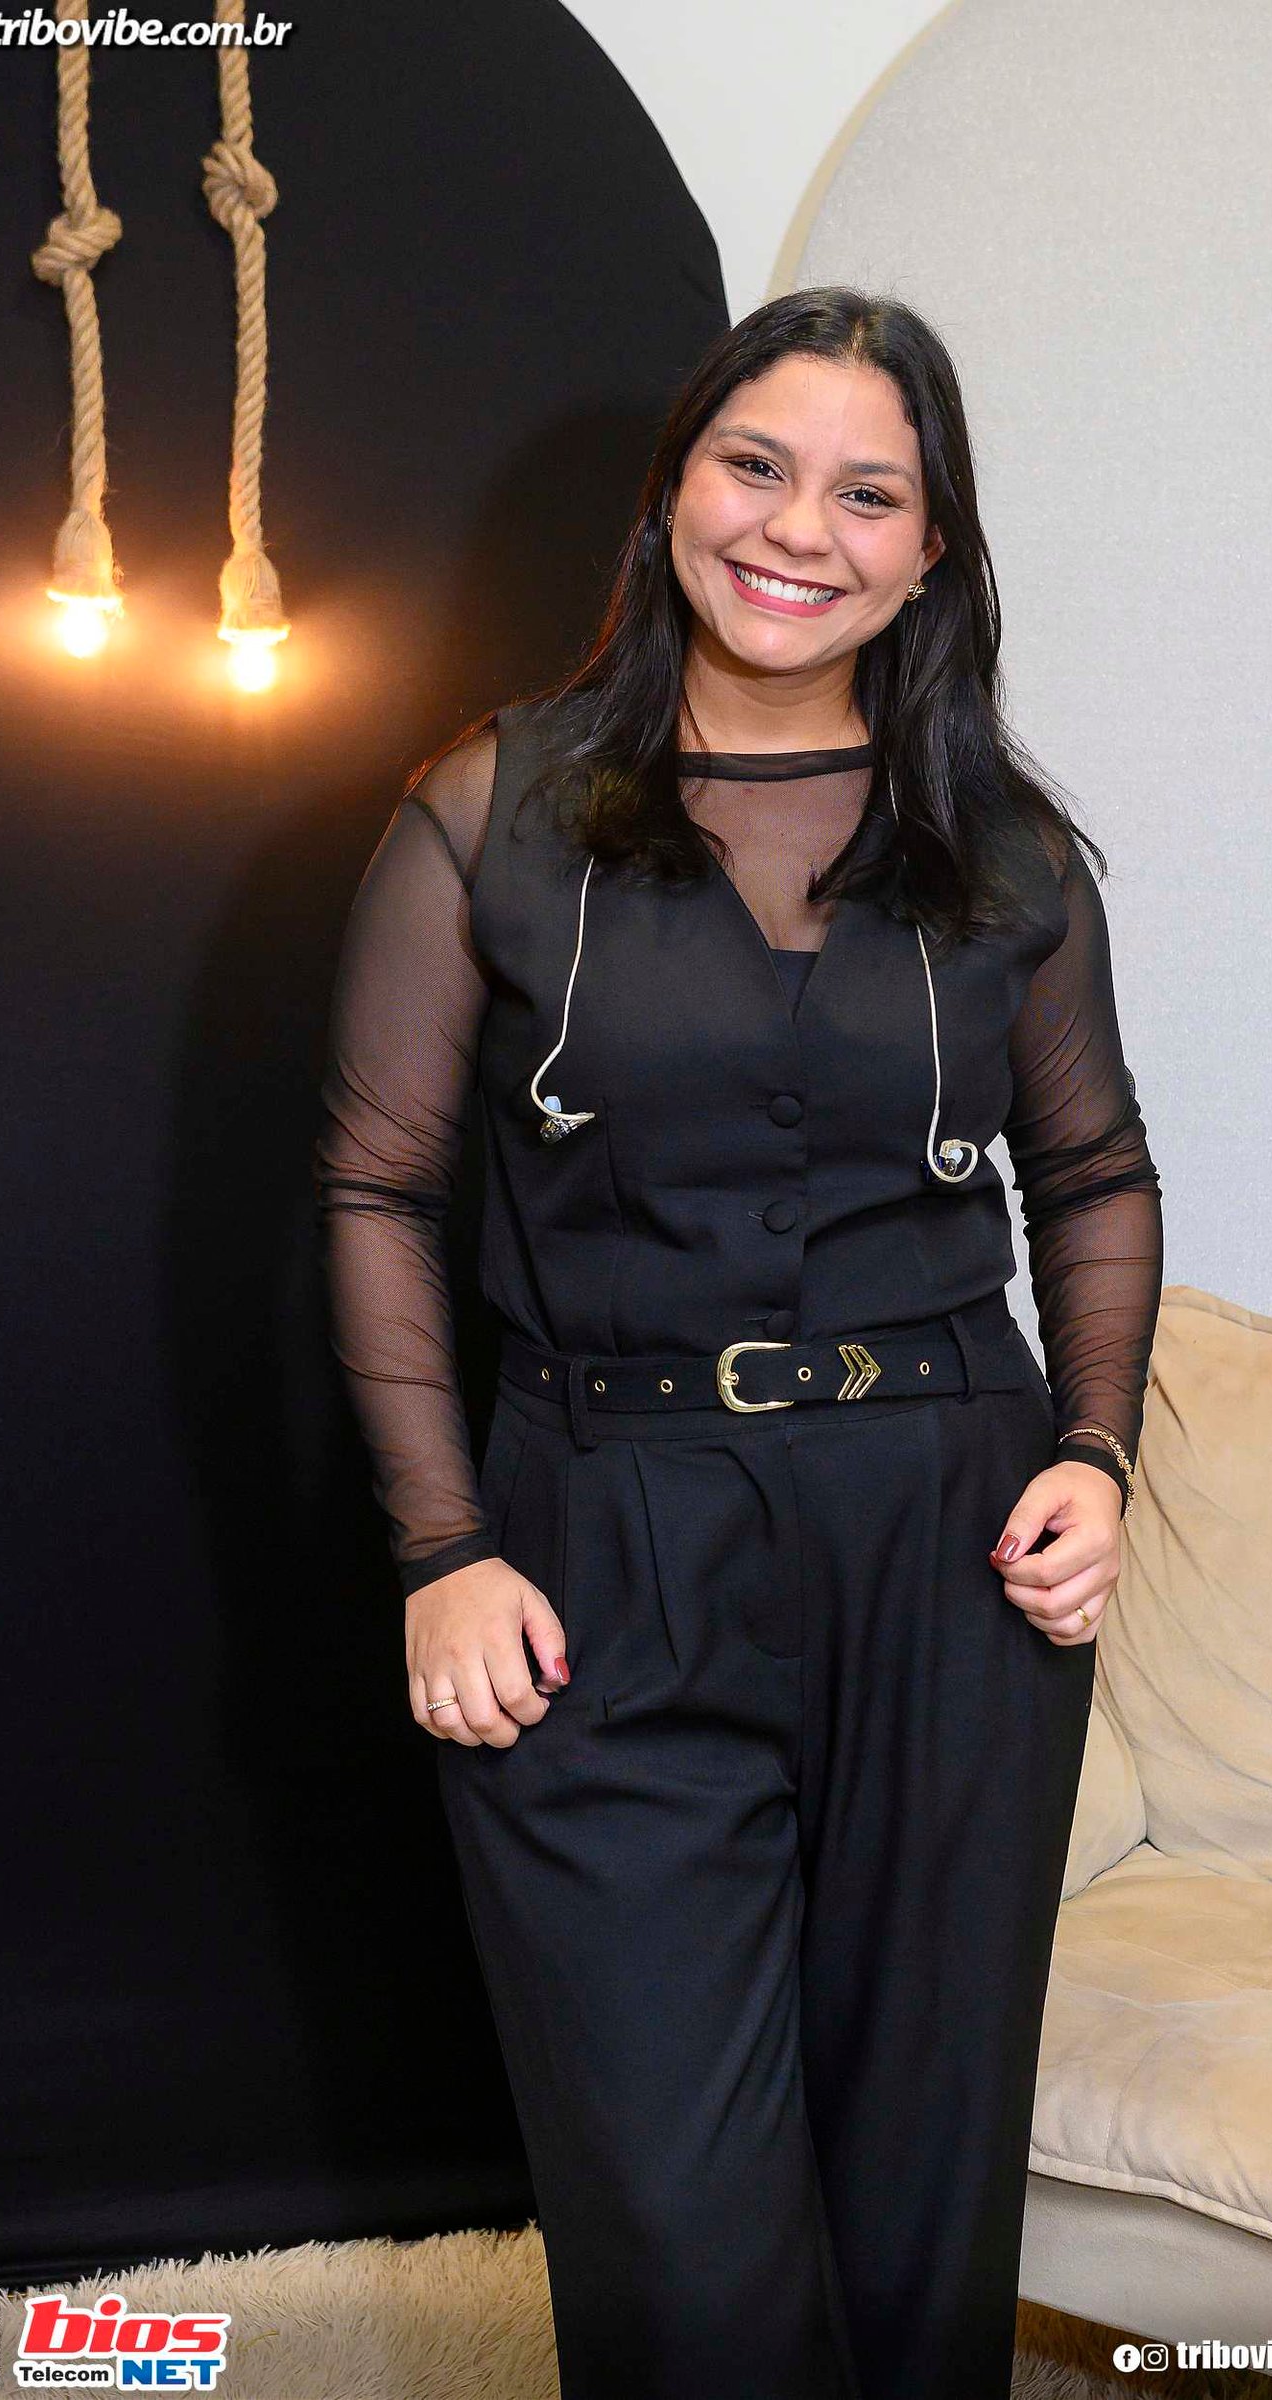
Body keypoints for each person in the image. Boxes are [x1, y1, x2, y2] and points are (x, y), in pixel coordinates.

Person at [313, 285, 1163, 2400]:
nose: (800, 529)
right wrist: (443, 1547)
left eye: (870, 494)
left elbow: (1091, 1174)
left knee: (918, 2181)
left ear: (932, 549)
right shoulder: (485, 809)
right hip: (595, 1539)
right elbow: (375, 1187)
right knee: (677, 2226)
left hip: (951, 1544)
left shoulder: (1008, 849)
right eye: (756, 466)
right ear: (675, 488)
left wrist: (1093, 1452)